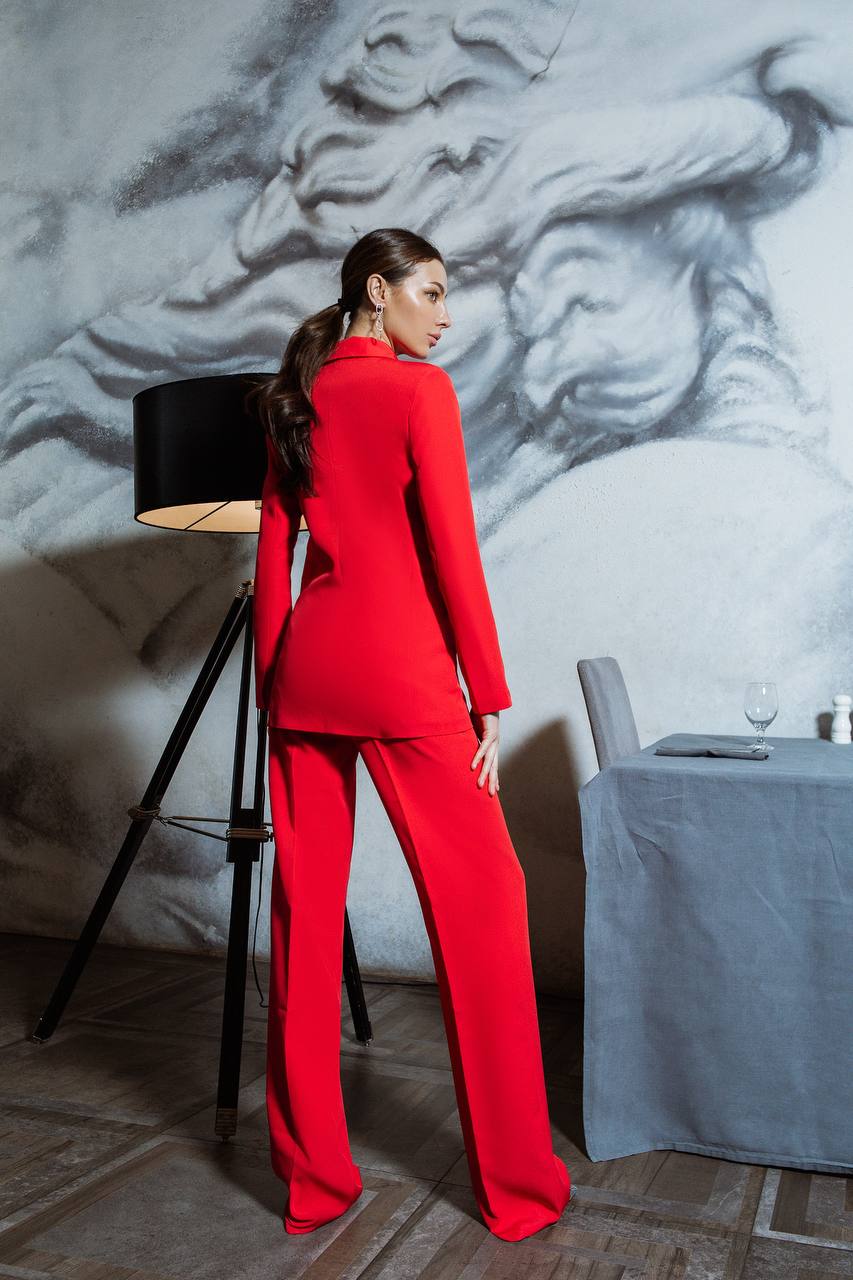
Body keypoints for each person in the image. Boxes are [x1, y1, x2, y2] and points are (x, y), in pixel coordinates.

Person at [250, 227, 573, 1242]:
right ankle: (518, 1187)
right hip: (403, 676)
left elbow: (271, 548)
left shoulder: (293, 397)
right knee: (485, 910)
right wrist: (483, 690)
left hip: (306, 674)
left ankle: (313, 1181)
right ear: (377, 291)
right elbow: (452, 549)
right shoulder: (417, 394)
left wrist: (273, 680)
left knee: (304, 923)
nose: (442, 314)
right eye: (429, 293)